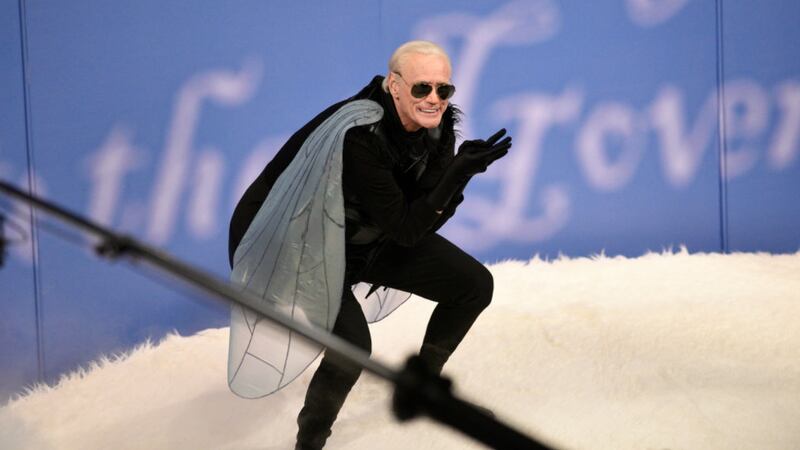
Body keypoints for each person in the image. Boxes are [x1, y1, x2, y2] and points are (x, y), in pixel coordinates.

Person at [228, 40, 511, 450]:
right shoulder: (359, 135)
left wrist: (457, 174)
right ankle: (310, 442)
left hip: (362, 236)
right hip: (293, 245)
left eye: (444, 89)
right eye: (422, 88)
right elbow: (405, 229)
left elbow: (421, 224)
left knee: (473, 285)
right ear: (393, 85)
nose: (434, 99)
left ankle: (423, 391)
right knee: (353, 347)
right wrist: (456, 174)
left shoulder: (438, 128)